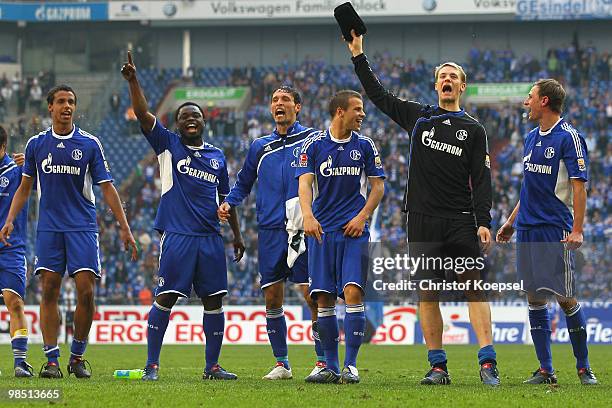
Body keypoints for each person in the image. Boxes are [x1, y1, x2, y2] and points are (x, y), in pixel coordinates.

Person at [346, 31, 499, 386]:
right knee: (428, 292)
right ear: (435, 86)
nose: (447, 80)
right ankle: (438, 366)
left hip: (461, 219)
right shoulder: (420, 117)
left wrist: (484, 221)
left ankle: (488, 361)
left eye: (453, 77)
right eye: (442, 76)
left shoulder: (474, 130)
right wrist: (358, 55)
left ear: (462, 87)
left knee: (473, 286)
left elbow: (482, 179)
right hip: (422, 219)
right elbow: (378, 95)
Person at [121, 51, 245, 381]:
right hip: (178, 235)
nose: (191, 119)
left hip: (210, 239)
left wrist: (237, 235)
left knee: (214, 301)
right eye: (184, 116)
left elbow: (226, 201)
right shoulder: (167, 145)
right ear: (177, 124)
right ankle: (152, 365)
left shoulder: (218, 157)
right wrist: (134, 81)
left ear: (205, 122)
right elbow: (144, 113)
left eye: (196, 116)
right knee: (165, 298)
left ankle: (212, 367)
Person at [0, 84, 138, 379]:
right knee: (49, 290)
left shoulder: (89, 144)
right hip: (49, 227)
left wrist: (124, 227)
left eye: (71, 102)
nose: (67, 106)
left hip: (82, 227)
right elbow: (25, 188)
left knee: (86, 292)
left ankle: (76, 357)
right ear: (49, 107)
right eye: (61, 101)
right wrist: (10, 219)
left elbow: (107, 187)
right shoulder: (36, 144)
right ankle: (51, 360)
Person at [496, 78, 598, 385]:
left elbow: (580, 186)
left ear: (544, 102)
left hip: (554, 228)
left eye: (530, 97)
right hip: (526, 228)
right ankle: (546, 370)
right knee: (534, 297)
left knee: (565, 297)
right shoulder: (530, 138)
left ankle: (583, 368)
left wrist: (578, 229)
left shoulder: (569, 137)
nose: (525, 103)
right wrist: (511, 222)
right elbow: (528, 186)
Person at [218, 86, 322, 380]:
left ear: (297, 107)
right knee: (272, 297)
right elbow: (243, 183)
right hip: (269, 232)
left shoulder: (313, 140)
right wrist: (228, 202)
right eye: (275, 100)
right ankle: (282, 363)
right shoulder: (259, 146)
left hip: (303, 228)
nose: (279, 104)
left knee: (312, 296)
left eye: (285, 100)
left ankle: (322, 360)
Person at [297, 90, 385, 384]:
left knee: (353, 292)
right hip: (322, 232)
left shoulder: (365, 145)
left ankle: (351, 365)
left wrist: (362, 217)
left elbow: (377, 188)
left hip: (354, 232)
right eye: (357, 109)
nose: (362, 114)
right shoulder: (314, 145)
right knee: (323, 298)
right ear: (339, 112)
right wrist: (307, 216)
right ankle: (331, 367)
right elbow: (305, 185)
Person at [0, 126, 31, 377]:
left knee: (15, 303)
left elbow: (50, 178)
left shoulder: (18, 170)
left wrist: (32, 162)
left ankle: (20, 362)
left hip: (11, 249)